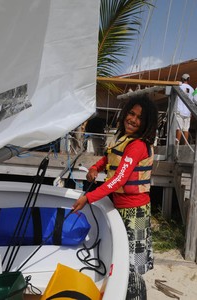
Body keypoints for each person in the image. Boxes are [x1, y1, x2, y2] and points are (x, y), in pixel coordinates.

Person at [72, 94, 158, 299]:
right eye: (131, 113)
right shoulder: (123, 139)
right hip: (120, 206)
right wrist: (94, 167)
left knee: (134, 262)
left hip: (135, 211)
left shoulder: (137, 146)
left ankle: (136, 295)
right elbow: (108, 157)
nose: (133, 119)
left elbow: (119, 179)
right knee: (120, 254)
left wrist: (88, 197)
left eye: (140, 118)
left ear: (146, 124)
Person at [176, 73, 194, 144]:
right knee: (186, 129)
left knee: (178, 128)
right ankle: (185, 146)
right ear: (189, 79)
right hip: (188, 112)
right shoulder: (192, 89)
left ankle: (176, 145)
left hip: (179, 110)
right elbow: (194, 101)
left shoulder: (179, 87)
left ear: (182, 79)